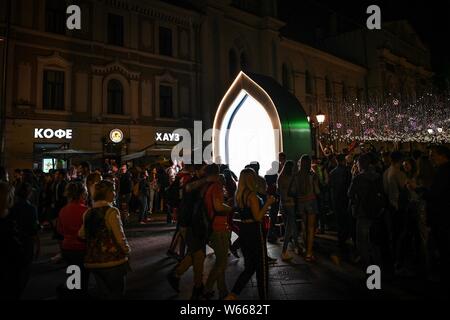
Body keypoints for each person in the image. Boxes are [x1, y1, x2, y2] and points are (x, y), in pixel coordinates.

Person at [226, 168, 276, 300]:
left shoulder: (240, 194)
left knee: (249, 266)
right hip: (254, 230)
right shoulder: (252, 196)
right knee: (261, 266)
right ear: (250, 179)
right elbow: (258, 217)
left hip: (244, 230)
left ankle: (233, 294)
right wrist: (268, 203)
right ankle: (263, 297)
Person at [79, 180, 131, 299]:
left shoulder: (88, 212)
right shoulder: (111, 211)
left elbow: (81, 234)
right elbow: (120, 237)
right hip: (112, 261)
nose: (114, 193)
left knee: (104, 293)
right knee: (117, 293)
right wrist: (127, 250)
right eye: (112, 190)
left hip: (93, 261)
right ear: (106, 193)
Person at [348, 154, 385, 269]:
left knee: (362, 241)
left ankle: (368, 266)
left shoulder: (358, 178)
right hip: (376, 212)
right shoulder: (378, 176)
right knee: (374, 240)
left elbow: (350, 194)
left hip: (362, 212)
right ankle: (378, 264)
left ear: (360, 164)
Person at [203, 164, 234, 300]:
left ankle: (222, 290)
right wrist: (230, 208)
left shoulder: (206, 187)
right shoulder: (215, 187)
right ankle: (208, 288)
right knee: (222, 262)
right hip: (219, 226)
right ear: (217, 173)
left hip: (212, 225)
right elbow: (218, 207)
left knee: (220, 260)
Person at [6, 183, 41, 298]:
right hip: (27, 241)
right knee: (25, 269)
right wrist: (38, 245)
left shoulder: (12, 207)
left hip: (14, 239)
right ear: (29, 194)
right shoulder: (31, 208)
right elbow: (34, 229)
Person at [57, 182, 89, 295]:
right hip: (81, 248)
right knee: (83, 280)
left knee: (73, 277)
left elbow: (60, 231)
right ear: (82, 194)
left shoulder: (63, 210)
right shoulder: (86, 211)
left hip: (67, 248)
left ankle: (71, 294)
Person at [290, 155, 320, 262]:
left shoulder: (296, 175)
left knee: (303, 224)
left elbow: (292, 191)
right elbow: (317, 191)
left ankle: (305, 247)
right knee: (311, 227)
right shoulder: (312, 175)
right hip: (311, 201)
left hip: (300, 202)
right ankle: (309, 253)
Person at [427, 146, 450, 285]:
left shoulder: (443, 172)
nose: (431, 158)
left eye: (433, 155)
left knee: (444, 249)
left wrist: (422, 191)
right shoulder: (441, 171)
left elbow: (435, 196)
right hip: (443, 217)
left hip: (442, 218)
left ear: (442, 156)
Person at [329, 154, 352, 257]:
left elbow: (330, 186)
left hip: (336, 199)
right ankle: (346, 239)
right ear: (343, 160)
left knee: (339, 220)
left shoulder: (332, 173)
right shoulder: (347, 171)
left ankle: (341, 241)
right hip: (345, 199)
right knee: (346, 220)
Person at [277, 160, 300, 261]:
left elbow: (280, 192)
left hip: (283, 204)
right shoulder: (291, 177)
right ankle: (284, 250)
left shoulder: (280, 177)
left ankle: (297, 246)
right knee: (290, 227)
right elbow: (295, 191)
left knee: (291, 225)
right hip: (290, 203)